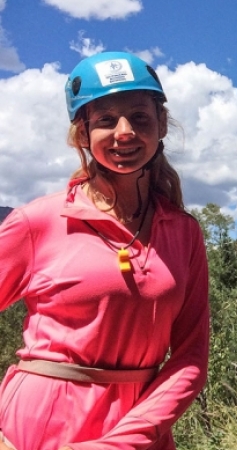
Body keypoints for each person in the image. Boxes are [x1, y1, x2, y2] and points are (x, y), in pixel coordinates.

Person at [0, 52, 209, 450]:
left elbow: (190, 357)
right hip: (37, 429)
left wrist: (125, 442)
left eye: (140, 117)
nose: (125, 131)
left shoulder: (184, 233)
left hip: (141, 434)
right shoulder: (37, 222)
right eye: (106, 120)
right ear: (82, 133)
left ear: (161, 123)